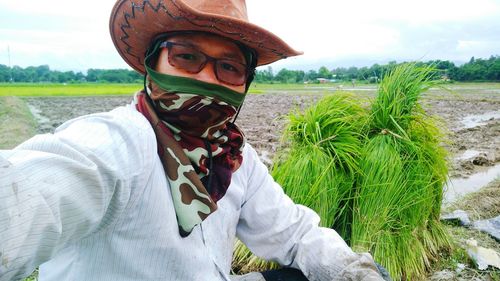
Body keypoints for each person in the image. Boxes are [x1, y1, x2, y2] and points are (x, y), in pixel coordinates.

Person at [0, 0, 390, 280]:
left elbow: (295, 233)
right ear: (152, 65)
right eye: (186, 57)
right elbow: (27, 197)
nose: (206, 79)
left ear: (245, 83)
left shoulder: (235, 157)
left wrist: (349, 269)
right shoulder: (118, 143)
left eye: (228, 67)